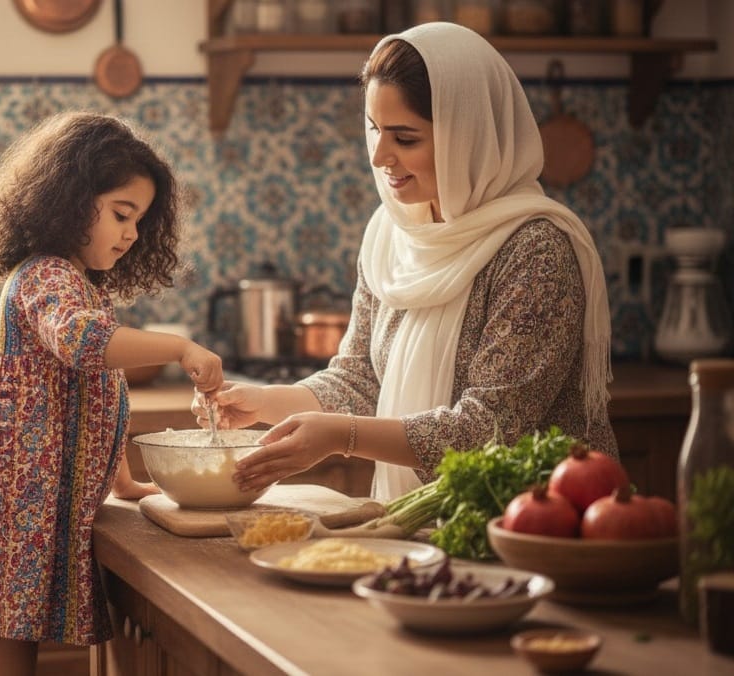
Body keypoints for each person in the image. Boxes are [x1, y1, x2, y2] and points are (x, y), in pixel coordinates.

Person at [197, 22, 617, 502]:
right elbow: (360, 377)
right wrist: (262, 402)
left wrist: (342, 435)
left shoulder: (536, 250)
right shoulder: (391, 234)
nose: (379, 155)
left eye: (406, 137)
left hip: (539, 528)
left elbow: (490, 429)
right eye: (374, 129)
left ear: (468, 136)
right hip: (423, 526)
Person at [0, 111, 224, 676]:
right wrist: (178, 346)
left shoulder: (81, 284)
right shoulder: (44, 275)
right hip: (17, 488)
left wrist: (122, 482)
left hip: (50, 486)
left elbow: (93, 399)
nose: (132, 234)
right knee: (15, 625)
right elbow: (81, 343)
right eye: (122, 214)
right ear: (70, 199)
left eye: (139, 221)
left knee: (29, 619)